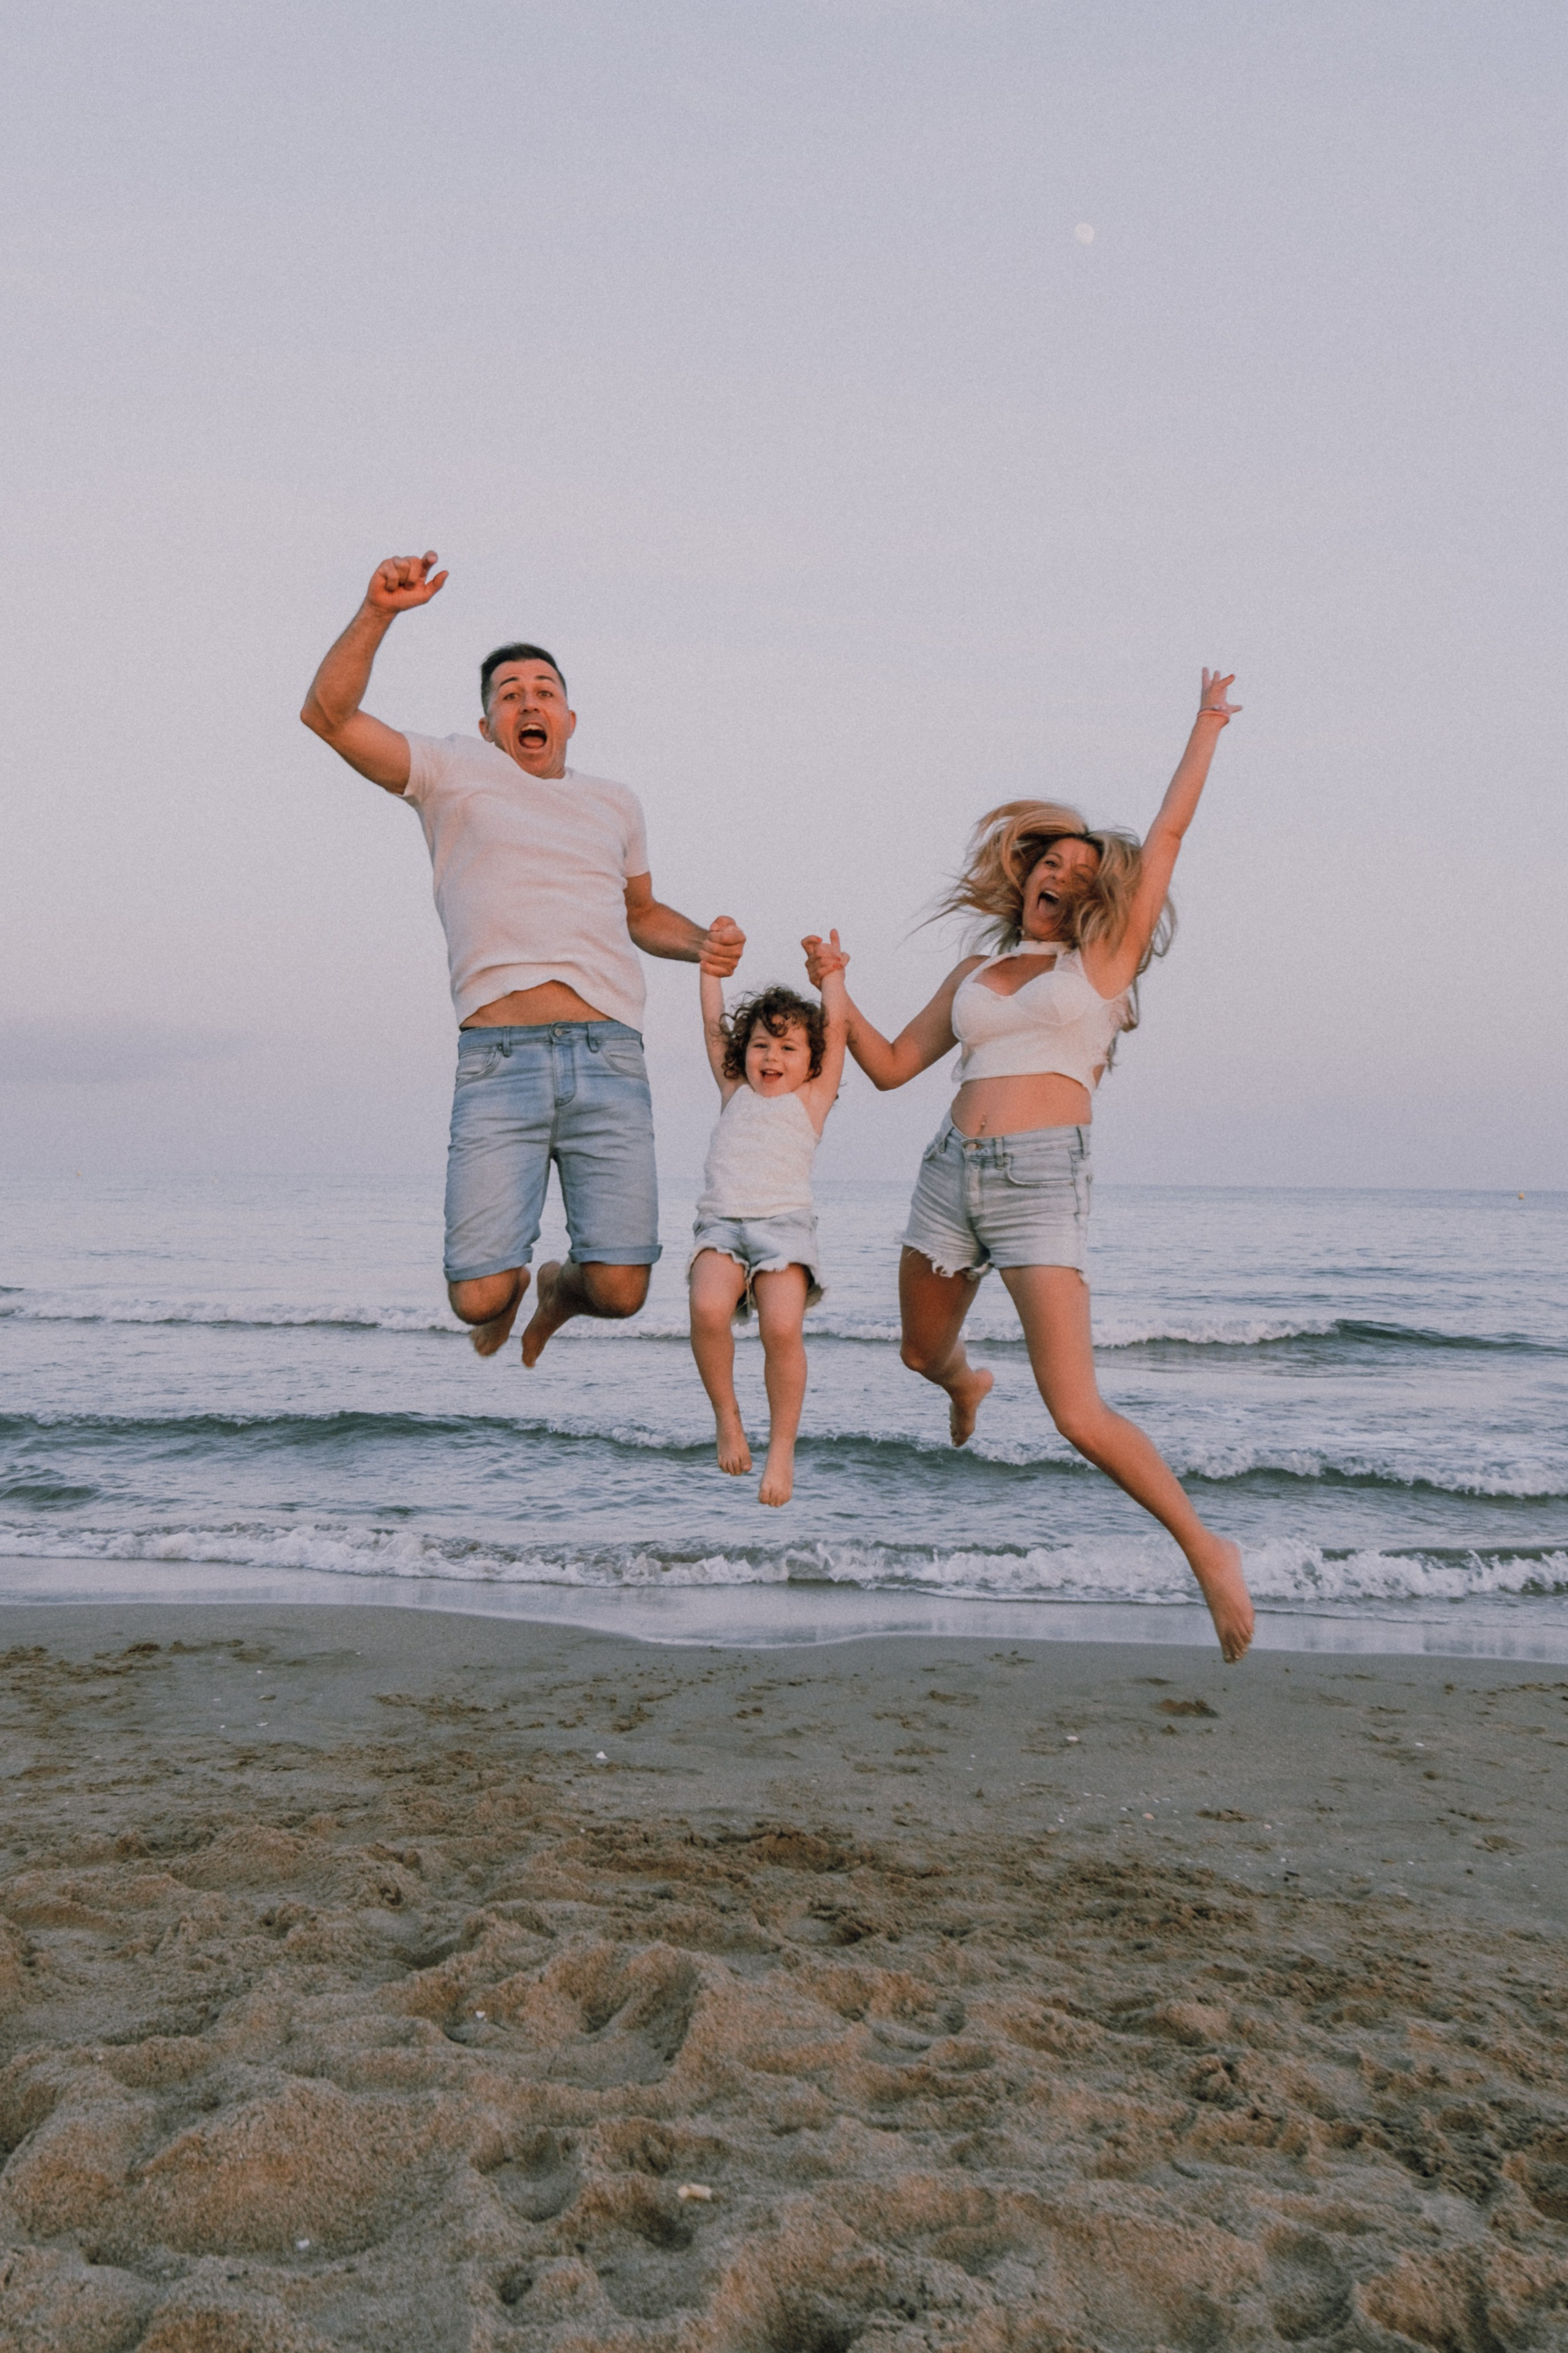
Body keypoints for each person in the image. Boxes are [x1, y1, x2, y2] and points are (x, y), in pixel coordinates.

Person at [804, 675, 1254, 1662]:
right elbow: (885, 1069)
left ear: (1103, 894)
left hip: (1042, 1177)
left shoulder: (1101, 968)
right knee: (920, 1355)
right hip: (947, 1172)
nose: (1060, 873)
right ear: (1027, 876)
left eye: (1080, 869)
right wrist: (837, 990)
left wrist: (1206, 724)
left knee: (1077, 1411)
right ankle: (967, 1387)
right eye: (1048, 860)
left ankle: (1205, 1549)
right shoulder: (972, 974)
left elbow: (1170, 837)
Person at [300, 551, 744, 1361]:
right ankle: (509, 1292)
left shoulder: (614, 802)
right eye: (509, 696)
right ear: (487, 726)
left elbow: (640, 912)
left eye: (544, 692)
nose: (527, 702)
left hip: (607, 1055)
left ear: (570, 718)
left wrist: (704, 945)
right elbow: (327, 716)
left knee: (621, 1291)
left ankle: (558, 1289)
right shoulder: (450, 770)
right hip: (496, 1058)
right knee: (476, 1297)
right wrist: (378, 612)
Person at [688, 948, 848, 1506]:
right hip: (723, 1225)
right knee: (708, 1310)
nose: (772, 1055)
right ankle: (727, 1414)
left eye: (788, 1046)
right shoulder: (735, 1090)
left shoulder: (812, 1099)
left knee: (781, 1330)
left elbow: (839, 1028)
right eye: (760, 1043)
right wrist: (710, 972)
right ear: (744, 1053)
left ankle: (781, 1448)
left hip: (784, 1229)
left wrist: (833, 979)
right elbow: (713, 1030)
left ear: (812, 1061)